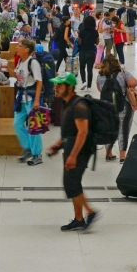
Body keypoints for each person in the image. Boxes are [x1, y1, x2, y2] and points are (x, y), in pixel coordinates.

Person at [46, 72, 99, 232]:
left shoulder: (79, 106)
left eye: (59, 85)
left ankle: (90, 212)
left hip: (80, 150)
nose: (55, 88)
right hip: (71, 147)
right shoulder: (67, 103)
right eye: (55, 85)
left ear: (69, 88)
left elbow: (82, 132)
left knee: (71, 183)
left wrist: (73, 156)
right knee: (72, 183)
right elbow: (71, 131)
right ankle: (78, 219)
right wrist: (59, 144)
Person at [96, 54, 137, 162]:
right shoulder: (122, 73)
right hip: (122, 106)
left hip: (106, 108)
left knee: (109, 129)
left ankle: (108, 154)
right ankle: (122, 156)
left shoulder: (100, 75)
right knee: (123, 130)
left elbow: (99, 89)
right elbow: (134, 83)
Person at [13, 37, 44, 166]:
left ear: (27, 49)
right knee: (17, 124)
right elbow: (19, 78)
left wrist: (37, 100)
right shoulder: (20, 61)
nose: (17, 48)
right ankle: (28, 148)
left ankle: (37, 154)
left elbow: (39, 82)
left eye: (19, 46)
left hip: (31, 98)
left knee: (34, 127)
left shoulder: (33, 62)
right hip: (21, 97)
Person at [77, 10, 98, 88]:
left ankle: (84, 82)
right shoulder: (95, 32)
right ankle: (89, 87)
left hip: (83, 51)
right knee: (90, 70)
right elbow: (97, 42)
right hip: (92, 51)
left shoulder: (81, 31)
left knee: (82, 67)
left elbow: (79, 43)